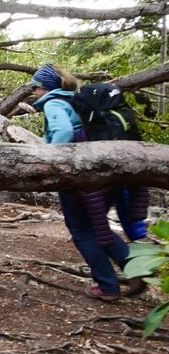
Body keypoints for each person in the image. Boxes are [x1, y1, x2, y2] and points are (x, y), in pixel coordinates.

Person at [30, 63, 143, 301]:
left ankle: (107, 286)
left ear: (46, 88)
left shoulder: (54, 103)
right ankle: (137, 270)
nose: (32, 91)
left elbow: (63, 132)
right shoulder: (79, 101)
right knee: (97, 227)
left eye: (35, 87)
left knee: (82, 230)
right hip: (106, 172)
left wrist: (46, 160)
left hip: (79, 178)